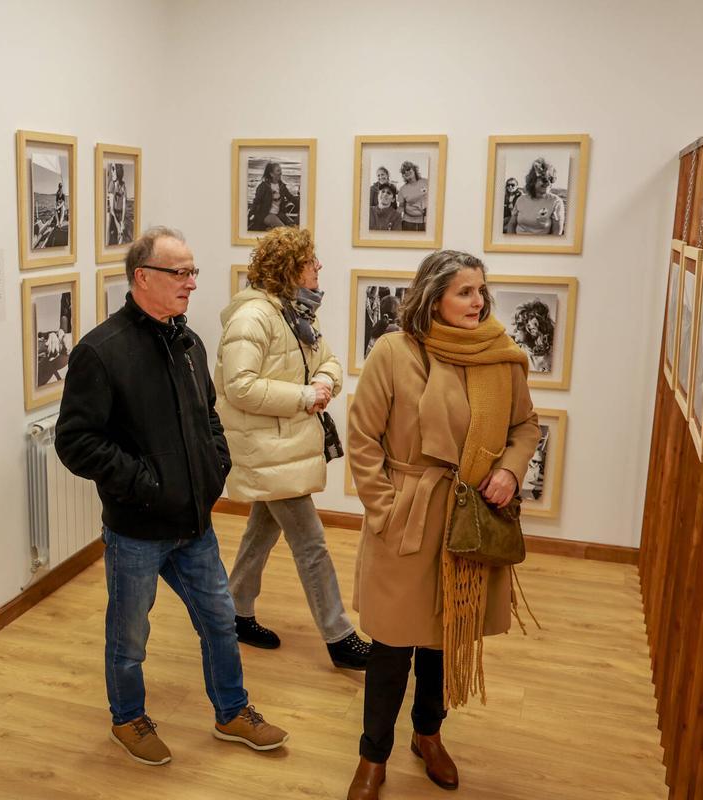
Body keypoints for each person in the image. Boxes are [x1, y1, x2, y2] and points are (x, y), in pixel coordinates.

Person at [55, 226, 289, 768]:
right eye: (179, 273)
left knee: (220, 622)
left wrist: (215, 465)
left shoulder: (188, 341)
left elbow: (207, 413)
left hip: (194, 523)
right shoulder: (100, 351)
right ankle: (128, 718)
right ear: (143, 278)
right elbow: (75, 441)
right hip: (137, 529)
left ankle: (232, 712)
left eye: (192, 272)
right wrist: (145, 483)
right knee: (130, 634)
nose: (191, 283)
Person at [344, 250, 540, 799]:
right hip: (407, 519)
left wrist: (508, 470)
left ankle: (428, 735)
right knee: (391, 644)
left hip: (470, 519)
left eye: (481, 290)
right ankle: (372, 757)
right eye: (465, 292)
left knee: (444, 636)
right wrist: (384, 509)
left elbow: (526, 425)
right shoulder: (394, 352)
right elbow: (362, 441)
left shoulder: (501, 356)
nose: (478, 301)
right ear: (433, 297)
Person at [214, 226, 371, 671]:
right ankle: (339, 636)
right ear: (290, 269)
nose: (319, 267)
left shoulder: (296, 312)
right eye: (311, 262)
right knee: (312, 544)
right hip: (268, 448)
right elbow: (238, 387)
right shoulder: (253, 319)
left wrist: (323, 382)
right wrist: (305, 396)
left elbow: (330, 362)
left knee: (262, 530)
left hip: (284, 446)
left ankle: (234, 612)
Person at [506, 157, 565, 235]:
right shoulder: (520, 199)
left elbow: (557, 233)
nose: (548, 183)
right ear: (533, 180)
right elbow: (512, 224)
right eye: (544, 179)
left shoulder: (556, 202)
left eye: (551, 179)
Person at [247, 161, 298, 231]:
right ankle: (270, 228)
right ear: (271, 174)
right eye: (278, 171)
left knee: (294, 226)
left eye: (281, 170)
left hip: (279, 213)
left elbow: (290, 197)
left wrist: (302, 204)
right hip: (266, 215)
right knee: (284, 230)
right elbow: (256, 202)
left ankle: (270, 229)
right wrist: (250, 215)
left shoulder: (282, 186)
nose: (281, 173)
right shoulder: (263, 186)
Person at [510, 299, 555, 372]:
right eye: (515, 324)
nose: (514, 329)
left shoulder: (553, 355)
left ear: (531, 329)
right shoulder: (514, 353)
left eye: (519, 325)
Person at [398, 161, 427, 231]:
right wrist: (394, 217)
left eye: (408, 169)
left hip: (424, 222)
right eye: (404, 172)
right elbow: (401, 207)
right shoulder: (402, 189)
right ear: (403, 176)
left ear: (414, 169)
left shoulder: (426, 182)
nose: (406, 172)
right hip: (408, 223)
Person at [107, 164, 129, 245]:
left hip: (120, 215)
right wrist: (117, 224)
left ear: (118, 171)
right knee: (115, 233)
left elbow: (124, 205)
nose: (112, 172)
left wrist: (122, 222)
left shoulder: (123, 186)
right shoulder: (111, 185)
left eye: (113, 169)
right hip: (113, 215)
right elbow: (111, 209)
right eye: (111, 169)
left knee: (121, 234)